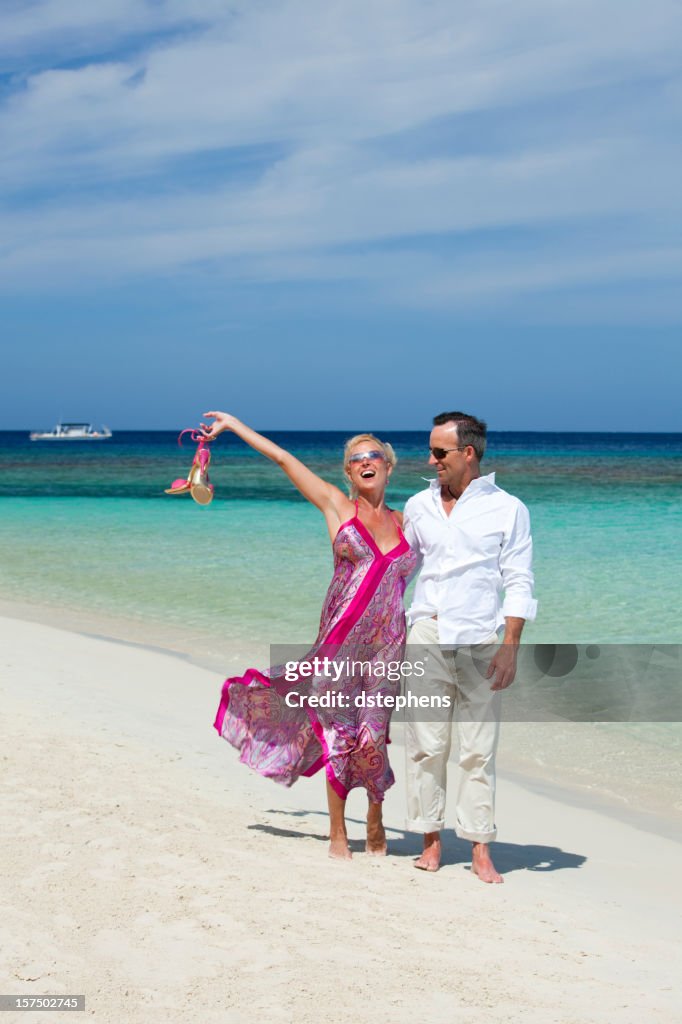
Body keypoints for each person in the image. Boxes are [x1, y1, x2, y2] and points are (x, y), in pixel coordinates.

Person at [201, 412, 417, 860]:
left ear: (389, 465)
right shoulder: (338, 507)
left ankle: (375, 819)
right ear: (348, 472)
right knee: (339, 737)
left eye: (373, 455)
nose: (365, 462)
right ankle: (338, 832)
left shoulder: (409, 522)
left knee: (373, 738)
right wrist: (235, 426)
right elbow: (283, 458)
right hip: (337, 647)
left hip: (387, 649)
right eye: (356, 459)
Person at [402, 411, 537, 883]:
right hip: (426, 635)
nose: (432, 459)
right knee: (425, 744)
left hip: (481, 639)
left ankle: (480, 845)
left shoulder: (508, 509)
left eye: (440, 452)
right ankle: (430, 839)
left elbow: (519, 580)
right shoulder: (418, 505)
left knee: (479, 749)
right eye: (431, 450)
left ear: (468, 454)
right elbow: (399, 566)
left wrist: (511, 645)